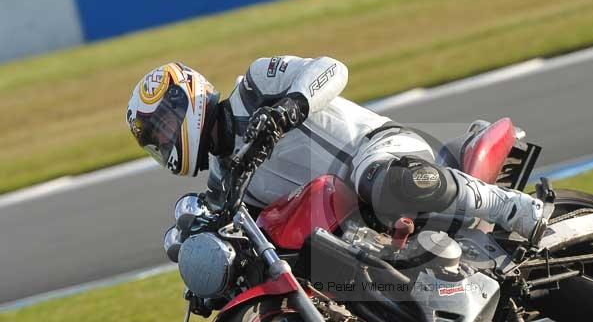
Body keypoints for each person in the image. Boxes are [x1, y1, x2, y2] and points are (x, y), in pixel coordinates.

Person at [126, 57, 546, 241]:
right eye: (155, 140)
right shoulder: (224, 184)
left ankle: (510, 207)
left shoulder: (254, 87)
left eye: (164, 125)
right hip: (354, 227)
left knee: (382, 183)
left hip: (377, 149)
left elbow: (330, 69)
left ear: (190, 99)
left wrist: (291, 105)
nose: (164, 142)